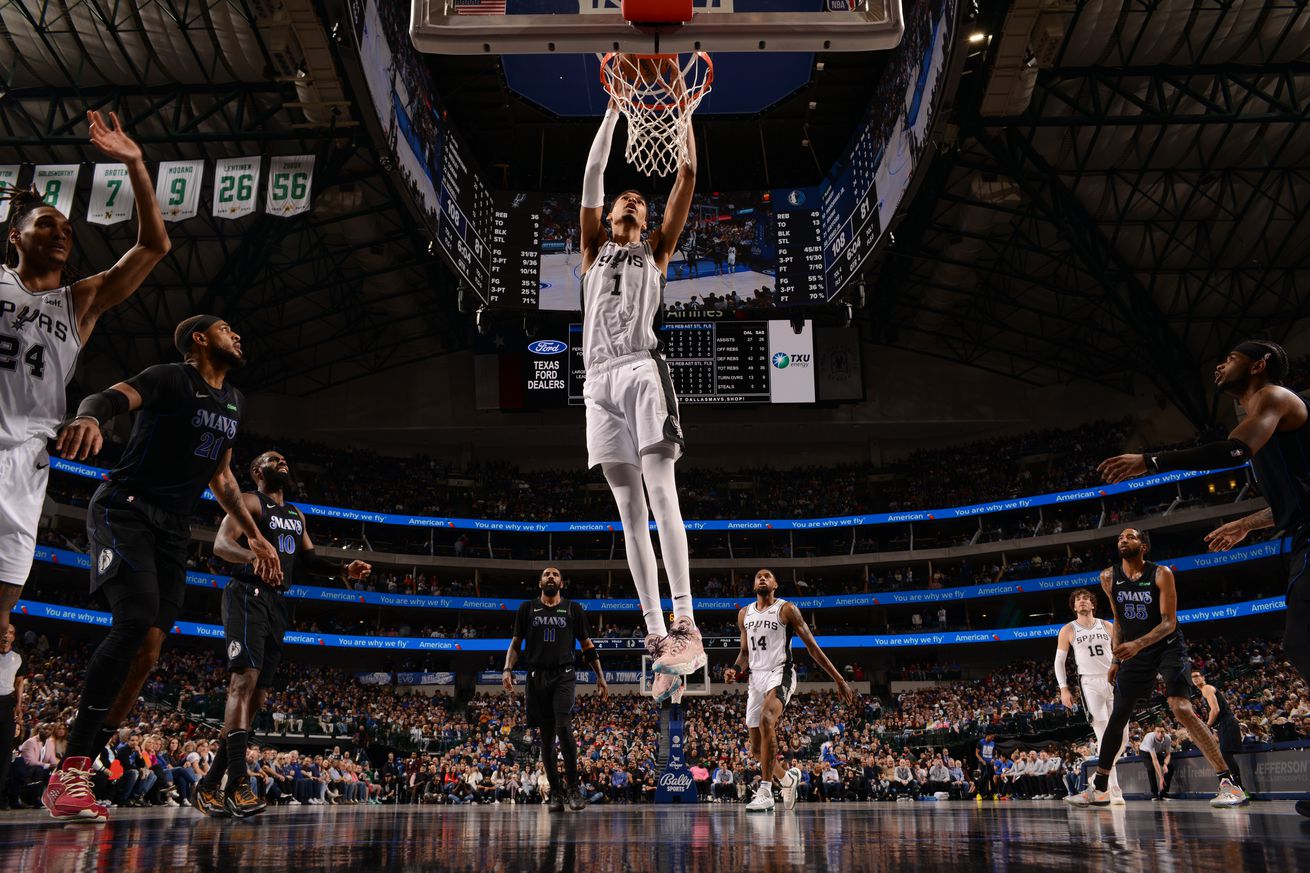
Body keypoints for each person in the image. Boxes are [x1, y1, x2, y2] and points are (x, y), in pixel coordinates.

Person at [41, 315, 280, 822]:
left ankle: (80, 767)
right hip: (124, 507)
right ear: (199, 338)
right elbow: (108, 398)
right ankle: (69, 771)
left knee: (149, 652)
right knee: (134, 618)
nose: (237, 334)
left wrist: (256, 536)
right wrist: (88, 418)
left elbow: (221, 477)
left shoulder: (235, 401)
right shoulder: (171, 377)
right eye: (225, 328)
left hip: (173, 527)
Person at [1097, 340, 1310, 814]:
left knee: (1300, 642)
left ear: (1258, 365)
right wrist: (1245, 523)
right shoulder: (1269, 424)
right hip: (1299, 535)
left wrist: (1150, 461)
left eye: (1231, 358)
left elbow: (1233, 451)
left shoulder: (1275, 396)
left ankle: (1228, 781)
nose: (1219, 364)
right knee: (1299, 643)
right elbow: (1291, 502)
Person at [0, 111, 170, 645]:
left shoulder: (81, 300)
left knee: (12, 551)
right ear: (16, 237)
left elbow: (154, 246)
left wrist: (136, 164)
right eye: (46, 223)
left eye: (68, 229)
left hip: (25, 448)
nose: (60, 232)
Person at [578, 85, 703, 703]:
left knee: (661, 493)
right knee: (629, 516)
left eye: (637, 199)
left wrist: (681, 115)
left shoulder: (656, 250)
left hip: (640, 370)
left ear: (648, 221)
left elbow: (685, 172)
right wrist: (614, 108)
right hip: (596, 382)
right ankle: (659, 639)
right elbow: (596, 170)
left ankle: (686, 619)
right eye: (623, 198)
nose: (629, 197)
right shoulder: (591, 250)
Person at [192, 450, 371, 819]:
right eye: (274, 459)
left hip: (277, 604)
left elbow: (309, 560)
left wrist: (342, 570)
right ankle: (238, 784)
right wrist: (253, 556)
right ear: (258, 470)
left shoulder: (295, 515)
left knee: (256, 700)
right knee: (243, 683)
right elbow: (221, 545)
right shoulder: (249, 501)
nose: (284, 462)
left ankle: (209, 784)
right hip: (247, 594)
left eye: (286, 459)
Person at [1065, 528, 1246, 809]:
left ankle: (1229, 783)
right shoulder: (1108, 577)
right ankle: (1100, 788)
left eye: (1130, 537)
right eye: (1120, 538)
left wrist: (1138, 644)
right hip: (1136, 651)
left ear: (1144, 546)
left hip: (1167, 645)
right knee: (1118, 716)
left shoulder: (1161, 574)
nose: (1123, 540)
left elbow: (1168, 622)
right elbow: (1118, 619)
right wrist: (1115, 660)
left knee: (1181, 709)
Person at [724, 568, 856, 812]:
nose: (762, 578)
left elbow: (813, 648)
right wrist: (734, 669)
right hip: (755, 678)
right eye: (757, 576)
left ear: (775, 584)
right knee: (755, 750)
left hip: (780, 673)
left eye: (767, 576)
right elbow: (744, 654)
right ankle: (786, 779)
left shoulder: (786, 609)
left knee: (766, 720)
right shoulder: (744, 614)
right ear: (754, 585)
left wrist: (839, 679)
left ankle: (765, 790)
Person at [503, 566, 608, 813]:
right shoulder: (526, 609)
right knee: (547, 738)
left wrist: (600, 677)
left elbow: (587, 645)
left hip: (564, 674)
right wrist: (507, 668)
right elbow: (516, 643)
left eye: (555, 575)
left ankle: (572, 788)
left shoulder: (573, 609)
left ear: (561, 583)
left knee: (564, 727)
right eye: (547, 574)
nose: (551, 577)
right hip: (536, 676)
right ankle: (556, 793)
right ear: (540, 582)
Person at [1054, 587, 1126, 803]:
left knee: (1123, 739)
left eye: (1086, 598)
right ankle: (1113, 789)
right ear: (1074, 606)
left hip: (1114, 679)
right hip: (1089, 683)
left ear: (1093, 604)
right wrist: (1063, 687)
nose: (1082, 601)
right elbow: (1059, 661)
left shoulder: (1107, 625)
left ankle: (1097, 780)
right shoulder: (1068, 629)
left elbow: (1121, 651)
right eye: (1078, 599)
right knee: (1104, 736)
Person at [1192, 668, 1246, 794]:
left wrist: (1207, 726)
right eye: (1192, 677)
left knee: (1226, 755)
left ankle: (1239, 789)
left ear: (1203, 677)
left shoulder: (1206, 688)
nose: (1195, 679)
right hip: (1224, 724)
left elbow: (1215, 710)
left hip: (1227, 722)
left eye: (1197, 676)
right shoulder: (1205, 691)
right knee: (1225, 755)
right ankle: (1235, 788)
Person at [0, 626, 25, 808]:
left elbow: (19, 682)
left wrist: (18, 705)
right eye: (3, 632)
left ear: (13, 637)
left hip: (7, 704)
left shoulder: (18, 657)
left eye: (9, 632)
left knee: (5, 751)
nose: (6, 635)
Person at [1139, 724, 1174, 800]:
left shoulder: (1168, 738)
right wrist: (1161, 777)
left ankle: (1163, 793)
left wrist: (1165, 764)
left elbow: (1168, 755)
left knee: (1170, 767)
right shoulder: (1149, 737)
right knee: (1151, 768)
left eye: (1162, 732)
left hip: (1157, 752)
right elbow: (1154, 760)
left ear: (1165, 732)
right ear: (1154, 732)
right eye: (1158, 732)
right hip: (1145, 752)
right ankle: (1154, 794)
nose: (1160, 734)